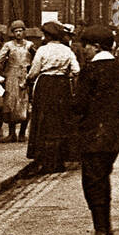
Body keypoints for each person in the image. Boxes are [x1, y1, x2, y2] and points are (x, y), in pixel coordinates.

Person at [71, 26, 119, 235]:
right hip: (116, 136)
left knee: (92, 181)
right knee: (103, 177)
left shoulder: (89, 72)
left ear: (96, 46)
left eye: (86, 46)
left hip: (93, 135)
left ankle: (100, 232)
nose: (84, 51)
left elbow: (79, 105)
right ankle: (106, 228)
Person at [26, 21, 80, 173]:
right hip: (62, 87)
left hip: (45, 86)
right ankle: (59, 161)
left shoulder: (43, 50)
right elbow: (76, 70)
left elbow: (34, 70)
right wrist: (65, 73)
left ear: (47, 36)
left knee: (43, 122)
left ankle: (45, 160)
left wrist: (28, 79)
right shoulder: (67, 51)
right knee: (60, 122)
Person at [0, 21, 33, 141]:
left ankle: (22, 133)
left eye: (20, 31)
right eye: (16, 31)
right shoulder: (8, 45)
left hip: (25, 76)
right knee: (10, 104)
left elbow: (36, 59)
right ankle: (12, 133)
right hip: (11, 76)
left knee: (25, 104)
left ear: (24, 31)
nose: (18, 33)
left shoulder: (30, 45)